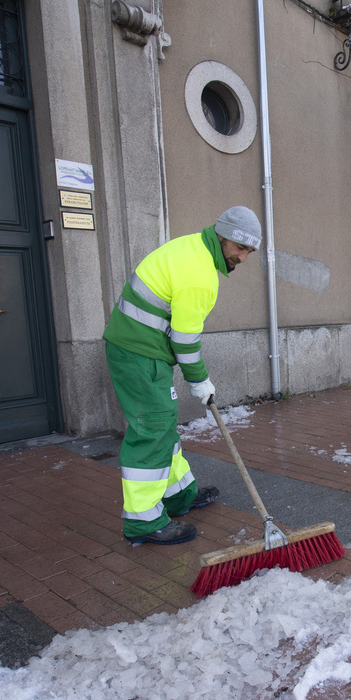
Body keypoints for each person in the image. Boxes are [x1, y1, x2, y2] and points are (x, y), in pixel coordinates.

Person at [102, 206, 261, 544]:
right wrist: (199, 380)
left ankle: (178, 495)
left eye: (249, 251)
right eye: (239, 248)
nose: (243, 258)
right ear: (222, 237)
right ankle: (144, 520)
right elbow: (185, 339)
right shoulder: (200, 274)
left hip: (141, 350)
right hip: (138, 354)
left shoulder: (192, 248)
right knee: (151, 430)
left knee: (162, 423)